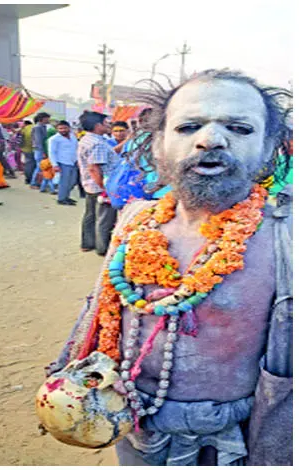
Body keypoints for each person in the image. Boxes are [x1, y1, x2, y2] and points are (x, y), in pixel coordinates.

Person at [49, 69, 292, 466]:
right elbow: (102, 312)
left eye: (239, 128)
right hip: (135, 430)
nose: (211, 139)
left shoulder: (286, 236)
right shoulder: (135, 221)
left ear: (268, 147)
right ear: (159, 145)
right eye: (189, 126)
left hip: (236, 444)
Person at [76, 110, 118, 255]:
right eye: (106, 123)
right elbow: (94, 168)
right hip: (99, 185)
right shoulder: (97, 143)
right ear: (97, 125)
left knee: (91, 215)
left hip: (90, 185)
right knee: (104, 219)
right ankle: (102, 248)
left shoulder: (89, 139)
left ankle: (87, 243)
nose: (109, 126)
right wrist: (104, 188)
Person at [48, 120, 80, 206]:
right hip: (62, 162)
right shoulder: (54, 139)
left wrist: (78, 160)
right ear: (57, 129)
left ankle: (66, 197)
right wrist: (54, 165)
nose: (62, 130)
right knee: (64, 182)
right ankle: (61, 199)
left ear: (69, 128)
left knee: (73, 181)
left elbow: (77, 148)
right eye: (60, 128)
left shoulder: (73, 136)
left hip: (73, 162)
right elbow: (52, 152)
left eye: (64, 128)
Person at [29, 112, 50, 188]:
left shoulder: (42, 126)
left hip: (40, 149)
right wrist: (43, 152)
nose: (48, 120)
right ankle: (33, 183)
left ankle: (39, 182)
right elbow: (38, 141)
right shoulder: (38, 127)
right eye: (47, 118)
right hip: (39, 150)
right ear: (42, 119)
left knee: (41, 167)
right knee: (39, 167)